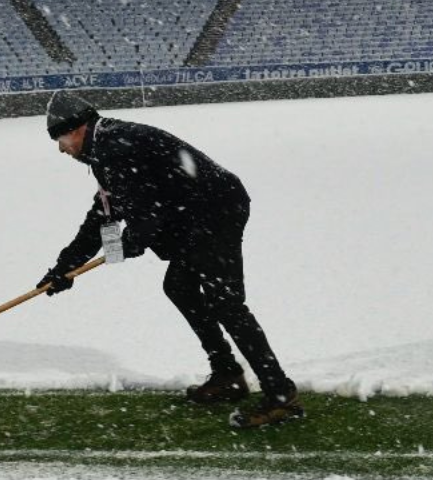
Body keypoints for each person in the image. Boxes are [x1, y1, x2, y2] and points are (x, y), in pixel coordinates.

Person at [40, 91, 304, 429]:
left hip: (215, 209)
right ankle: (227, 373)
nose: (62, 149)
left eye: (60, 139)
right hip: (192, 214)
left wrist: (130, 242)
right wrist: (65, 268)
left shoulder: (114, 146)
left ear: (78, 128)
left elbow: (148, 211)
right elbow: (105, 214)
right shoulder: (102, 150)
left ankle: (281, 393)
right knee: (180, 286)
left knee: (226, 303)